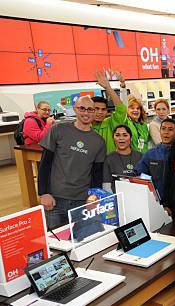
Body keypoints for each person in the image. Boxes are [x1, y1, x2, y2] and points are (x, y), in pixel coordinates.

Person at [38, 96, 106, 229]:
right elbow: (45, 163)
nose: (86, 113)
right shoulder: (58, 130)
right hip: (55, 199)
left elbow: (97, 173)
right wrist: (44, 193)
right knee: (57, 244)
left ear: (94, 112)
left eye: (90, 110)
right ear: (75, 109)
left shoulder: (99, 141)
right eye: (82, 108)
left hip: (82, 200)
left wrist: (93, 196)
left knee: (84, 240)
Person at [135, 117, 175, 202]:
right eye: (163, 129)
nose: (166, 132)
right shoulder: (150, 154)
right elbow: (139, 175)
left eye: (170, 129)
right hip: (155, 203)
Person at [91, 70, 127, 154]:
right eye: (96, 109)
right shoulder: (84, 127)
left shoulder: (111, 123)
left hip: (110, 164)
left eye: (103, 109)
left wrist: (108, 88)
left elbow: (121, 109)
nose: (100, 112)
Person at [102, 125, 143, 192]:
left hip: (138, 196)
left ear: (131, 138)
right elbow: (106, 185)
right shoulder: (108, 159)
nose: (121, 138)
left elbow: (147, 180)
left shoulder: (141, 157)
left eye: (125, 135)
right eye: (117, 135)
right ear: (113, 138)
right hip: (118, 198)